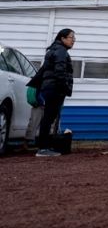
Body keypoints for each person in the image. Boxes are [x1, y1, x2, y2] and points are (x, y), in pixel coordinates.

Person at [34, 29, 75, 157]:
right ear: (62, 38)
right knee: (48, 117)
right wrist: (65, 87)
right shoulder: (61, 51)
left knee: (48, 117)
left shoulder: (54, 49)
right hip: (54, 88)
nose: (73, 40)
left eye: (74, 38)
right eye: (71, 37)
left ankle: (45, 146)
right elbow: (60, 72)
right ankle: (43, 148)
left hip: (49, 87)